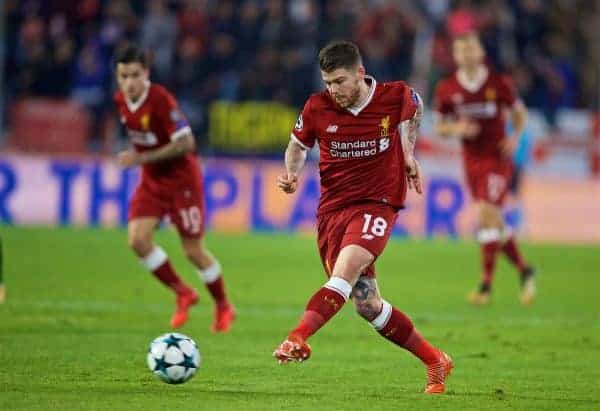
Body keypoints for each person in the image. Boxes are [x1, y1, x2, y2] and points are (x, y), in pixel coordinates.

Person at [273, 41, 452, 394]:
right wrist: (292, 174)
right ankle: (435, 360)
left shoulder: (393, 96)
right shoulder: (316, 108)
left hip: (377, 203)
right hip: (332, 212)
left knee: (347, 270)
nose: (332, 90)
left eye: (339, 81)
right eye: (327, 82)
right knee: (367, 304)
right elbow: (297, 146)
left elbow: (415, 109)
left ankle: (297, 337)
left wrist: (408, 154)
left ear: (360, 72)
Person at [113, 46, 235, 331]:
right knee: (137, 240)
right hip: (152, 182)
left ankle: (222, 304)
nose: (129, 82)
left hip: (183, 184)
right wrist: (143, 160)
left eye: (134, 75)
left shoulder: (160, 99)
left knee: (193, 250)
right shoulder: (121, 100)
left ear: (146, 73)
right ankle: (183, 292)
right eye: (123, 76)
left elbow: (186, 143)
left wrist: (140, 158)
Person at [433, 32, 536, 305]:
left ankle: (485, 285)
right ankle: (524, 270)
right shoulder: (447, 88)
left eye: (471, 50)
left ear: (480, 53)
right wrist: (458, 128)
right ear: (455, 56)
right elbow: (440, 126)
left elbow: (519, 112)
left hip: (497, 157)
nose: (466, 55)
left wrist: (515, 137)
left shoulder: (497, 83)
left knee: (485, 212)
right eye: (461, 51)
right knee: (491, 220)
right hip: (471, 161)